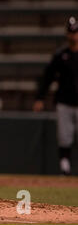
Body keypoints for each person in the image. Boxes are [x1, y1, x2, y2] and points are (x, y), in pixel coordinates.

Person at [33, 16, 78, 175]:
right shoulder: (61, 55)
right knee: (64, 136)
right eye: (71, 32)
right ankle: (64, 168)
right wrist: (40, 98)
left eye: (76, 32)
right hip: (64, 102)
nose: (73, 35)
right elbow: (48, 78)